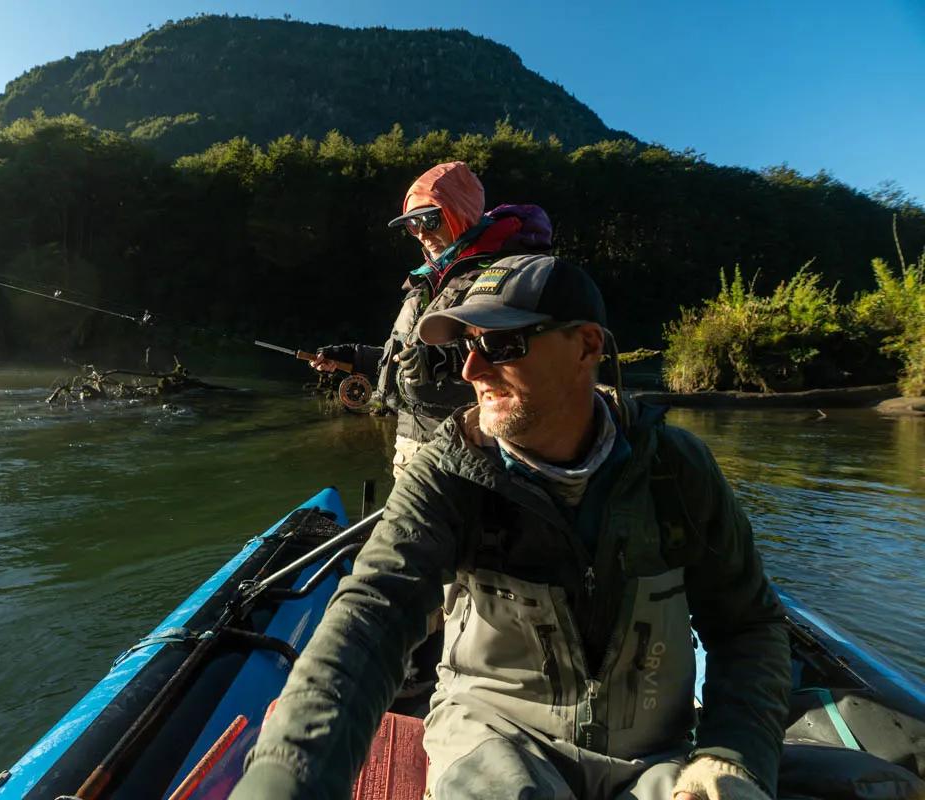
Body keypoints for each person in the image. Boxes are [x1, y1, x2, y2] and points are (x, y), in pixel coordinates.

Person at [233, 254, 793, 799]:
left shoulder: (677, 469)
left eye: (502, 344)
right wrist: (286, 778)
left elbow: (747, 626)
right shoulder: (448, 472)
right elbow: (370, 617)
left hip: (657, 758)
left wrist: (730, 756)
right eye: (467, 347)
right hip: (492, 741)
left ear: (587, 345)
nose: (472, 370)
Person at [311, 161, 553, 478]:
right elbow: (407, 361)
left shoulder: (506, 274)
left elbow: (527, 360)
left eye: (430, 219)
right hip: (411, 445)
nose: (422, 234)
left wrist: (446, 361)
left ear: (460, 212)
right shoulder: (425, 282)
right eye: (413, 225)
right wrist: (355, 358)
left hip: (473, 453)